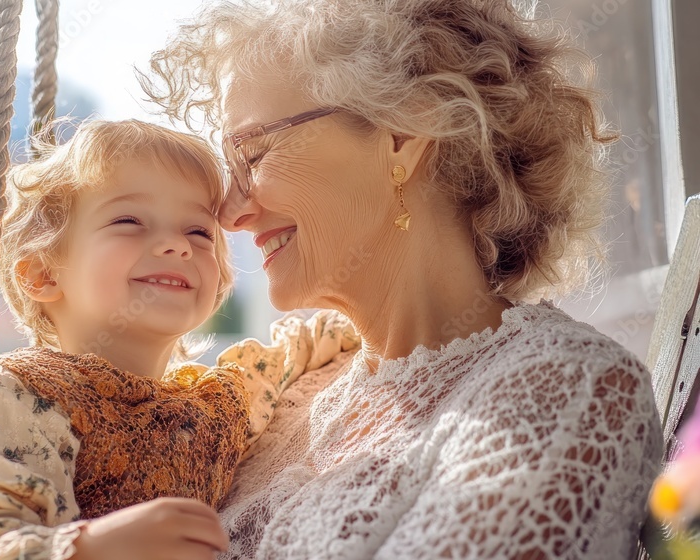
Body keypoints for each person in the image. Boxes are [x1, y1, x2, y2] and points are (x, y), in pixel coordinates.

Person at [133, 0, 664, 558]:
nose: (229, 213)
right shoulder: (284, 392)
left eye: (253, 152)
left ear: (402, 136)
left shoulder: (567, 386)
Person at [0, 119, 359, 560]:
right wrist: (93, 546)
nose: (177, 244)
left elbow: (300, 349)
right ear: (42, 274)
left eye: (199, 231)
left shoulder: (219, 403)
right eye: (129, 221)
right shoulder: (20, 396)